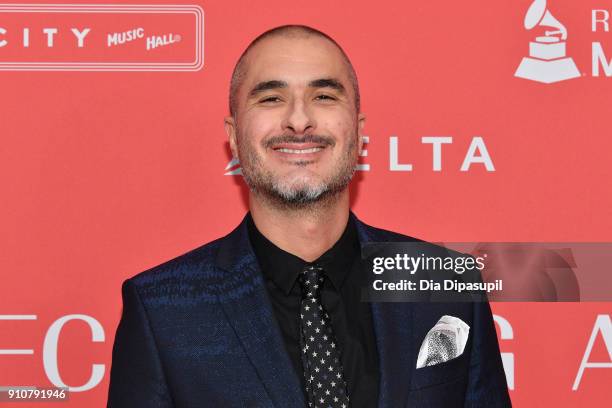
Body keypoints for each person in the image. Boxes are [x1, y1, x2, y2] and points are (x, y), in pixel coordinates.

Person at [107, 24, 511, 408]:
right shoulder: (163, 309)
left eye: (323, 96)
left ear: (358, 131)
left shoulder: (441, 283)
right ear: (233, 135)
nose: (299, 120)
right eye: (270, 98)